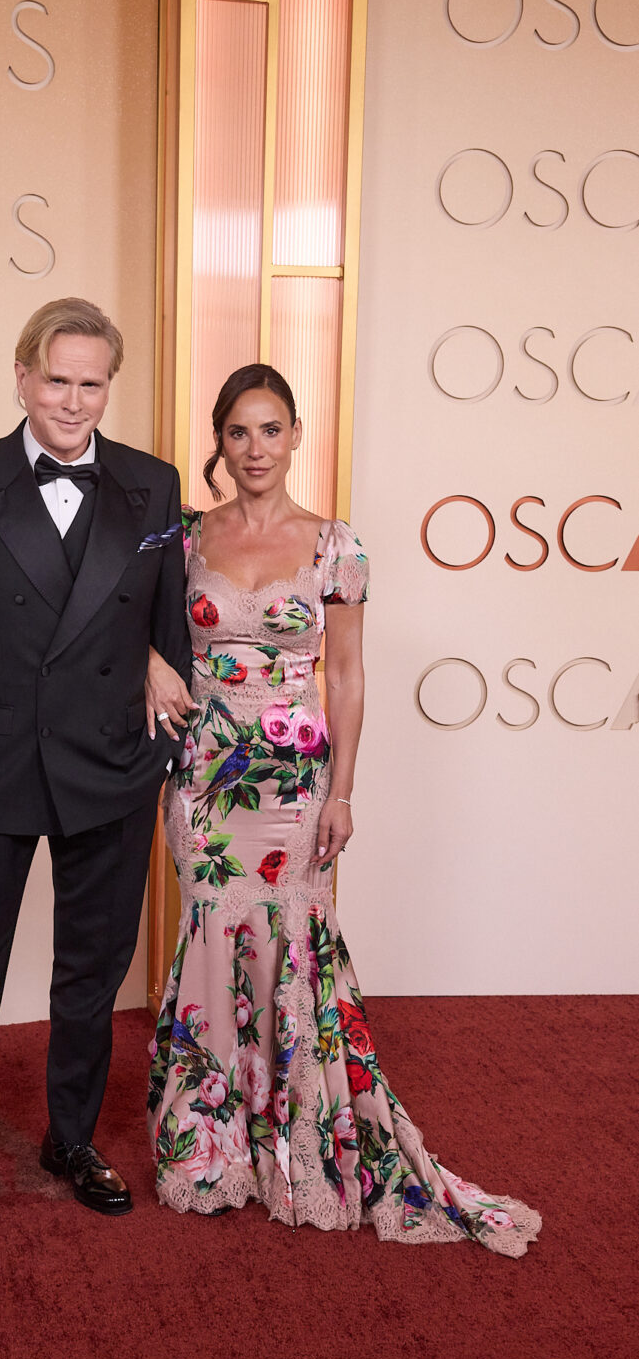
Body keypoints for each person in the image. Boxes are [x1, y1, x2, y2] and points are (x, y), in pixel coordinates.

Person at [144, 364, 541, 1257]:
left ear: (294, 435)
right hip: (205, 779)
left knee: (294, 945)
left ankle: (297, 1146)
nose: (255, 449)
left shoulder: (335, 545)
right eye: (239, 432)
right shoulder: (176, 537)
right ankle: (211, 1147)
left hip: (293, 784)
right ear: (220, 438)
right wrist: (148, 665)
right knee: (210, 937)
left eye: (271, 430)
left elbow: (348, 675)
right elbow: (131, 630)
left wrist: (343, 792)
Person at [0, 297, 190, 1254]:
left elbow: (167, 628)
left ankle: (71, 1140)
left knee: (90, 977)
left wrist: (163, 743)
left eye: (92, 383)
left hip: (110, 767)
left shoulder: (153, 485)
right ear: (21, 376)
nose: (73, 400)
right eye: (57, 379)